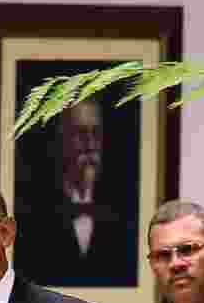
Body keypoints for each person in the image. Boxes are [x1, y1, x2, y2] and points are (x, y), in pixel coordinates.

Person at [16, 99, 134, 287]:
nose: (90, 144)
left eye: (96, 133)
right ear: (60, 140)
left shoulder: (124, 214)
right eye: (80, 134)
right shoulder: (32, 214)